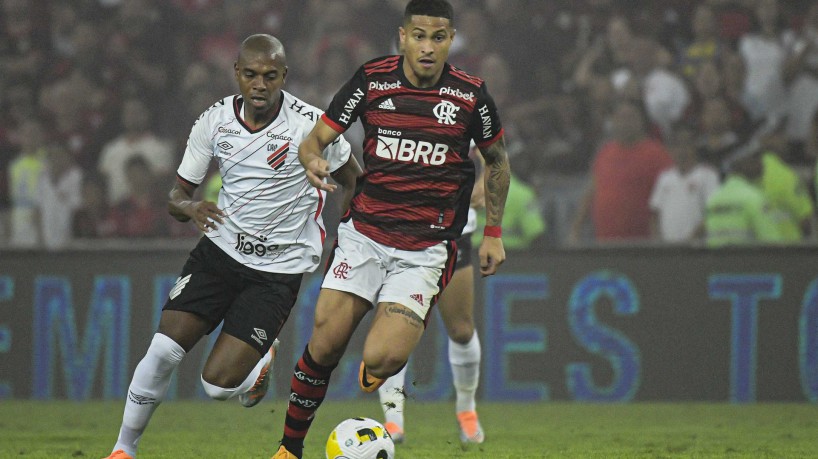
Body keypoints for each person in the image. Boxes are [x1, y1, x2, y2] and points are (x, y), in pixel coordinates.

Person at [272, 1, 511, 457]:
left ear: (451, 40)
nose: (427, 47)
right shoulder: (371, 80)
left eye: (438, 37)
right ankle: (288, 447)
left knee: (383, 358)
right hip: (364, 235)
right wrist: (312, 161)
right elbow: (315, 139)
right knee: (323, 345)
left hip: (425, 249)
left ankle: (383, 365)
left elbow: (498, 162)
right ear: (402, 37)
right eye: (418, 36)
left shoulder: (470, 95)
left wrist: (494, 234)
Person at [103, 34, 359, 459]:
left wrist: (346, 239)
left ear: (284, 77)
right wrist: (190, 207)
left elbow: (354, 178)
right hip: (219, 253)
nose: (260, 85)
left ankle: (258, 361)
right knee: (162, 350)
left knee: (216, 387)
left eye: (270, 76)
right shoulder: (214, 121)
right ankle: (123, 450)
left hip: (277, 271)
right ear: (237, 73)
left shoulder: (311, 125)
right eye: (252, 75)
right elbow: (175, 196)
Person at [378, 148, 490, 446]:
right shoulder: (394, 104)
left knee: (462, 330)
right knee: (395, 330)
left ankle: (467, 411)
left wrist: (484, 180)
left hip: (453, 233)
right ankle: (393, 419)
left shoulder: (464, 102)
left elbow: (492, 151)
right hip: (403, 230)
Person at [568, 100, 673, 243]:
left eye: (630, 117)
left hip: (643, 244)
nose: (625, 123)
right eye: (621, 118)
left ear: (641, 121)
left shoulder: (657, 155)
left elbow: (670, 194)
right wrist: (576, 228)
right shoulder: (605, 152)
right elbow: (592, 190)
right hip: (605, 241)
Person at [649, 125, 720, 243]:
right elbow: (654, 215)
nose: (682, 150)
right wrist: (658, 243)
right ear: (670, 149)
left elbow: (713, 213)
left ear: (695, 146)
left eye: (686, 144)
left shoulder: (708, 175)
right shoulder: (665, 177)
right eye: (677, 145)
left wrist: (691, 240)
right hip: (668, 251)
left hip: (697, 249)